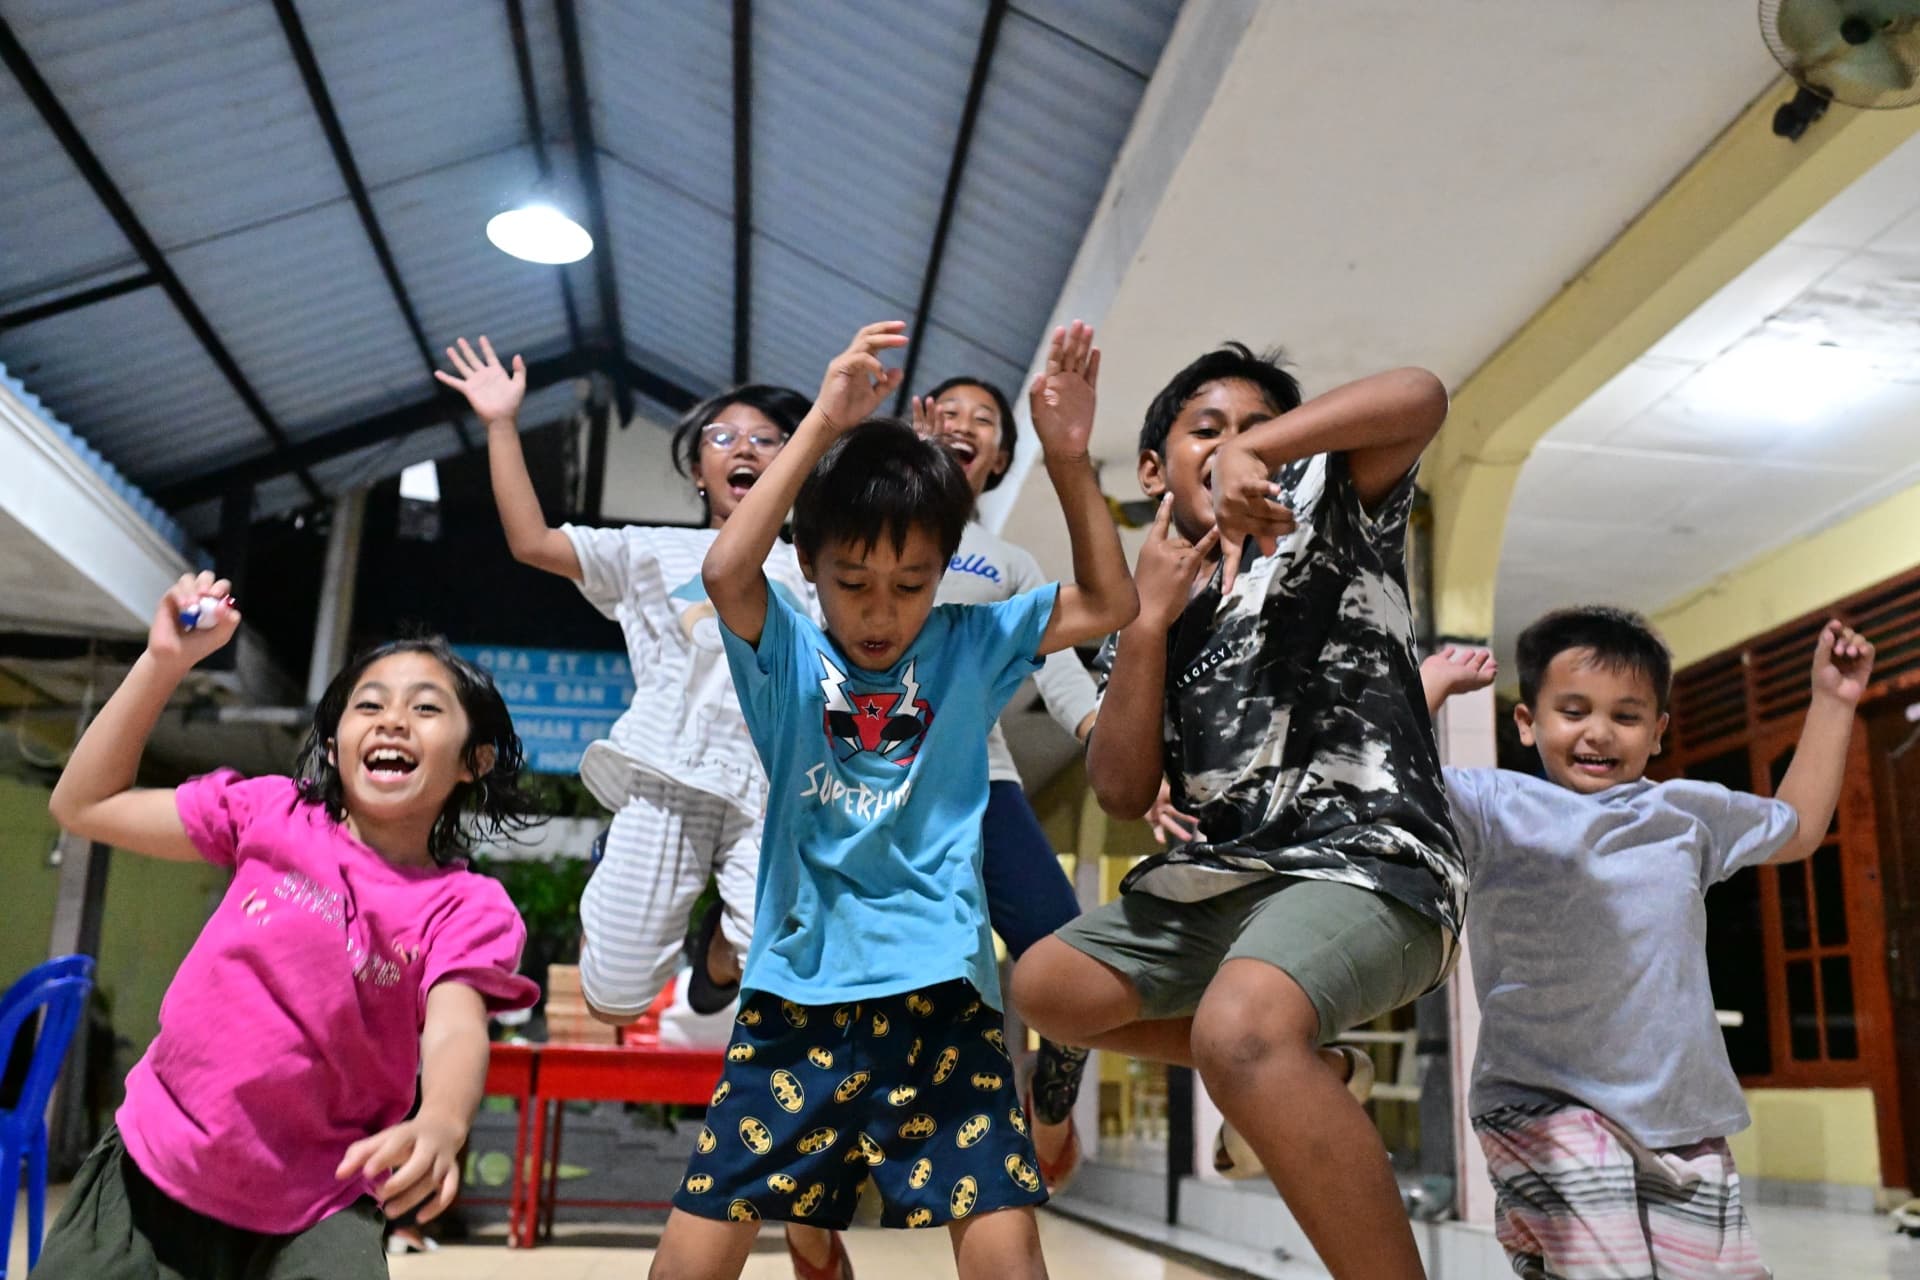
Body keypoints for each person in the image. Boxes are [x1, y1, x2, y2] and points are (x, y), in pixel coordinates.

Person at [647, 321, 1135, 1280]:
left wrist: (1071, 460)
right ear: (809, 565)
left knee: (1006, 1254)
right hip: (794, 1003)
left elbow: (1110, 603)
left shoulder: (969, 643)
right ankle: (816, 1243)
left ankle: (819, 1241)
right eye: (853, 582)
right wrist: (825, 421)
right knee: (690, 1261)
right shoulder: (786, 649)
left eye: (911, 584)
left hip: (941, 997)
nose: (880, 611)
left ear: (944, 570)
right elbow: (726, 570)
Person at [1011, 343, 1460, 1280]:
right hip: (1220, 884)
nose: (1232, 445)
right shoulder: (1147, 611)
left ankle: (1270, 1056)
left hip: (1366, 859)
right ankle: (1310, 1067)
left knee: (1239, 1032)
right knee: (1047, 986)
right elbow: (1121, 791)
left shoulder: (1335, 509)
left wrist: (1265, 452)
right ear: (1153, 471)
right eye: (1206, 431)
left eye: (1258, 429)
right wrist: (1145, 624)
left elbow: (1419, 394)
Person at [36, 572, 540, 1278]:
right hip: (153, 1164)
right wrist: (162, 663)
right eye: (369, 704)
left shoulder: (466, 906)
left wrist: (442, 1120)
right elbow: (83, 805)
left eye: (426, 708)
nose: (393, 720)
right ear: (333, 746)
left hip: (319, 1204)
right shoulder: (271, 813)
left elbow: (456, 1027)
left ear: (473, 762)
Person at [1422, 609, 1875, 1280]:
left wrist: (1833, 701)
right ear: (1527, 722)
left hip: (1680, 1117)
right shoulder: (1493, 805)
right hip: (1543, 1102)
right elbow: (1385, 788)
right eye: (1573, 711)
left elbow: (1800, 827)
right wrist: (1426, 688)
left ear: (1659, 731)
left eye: (1626, 716)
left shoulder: (1687, 814)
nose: (1599, 732)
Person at [436, 338, 812, 1024]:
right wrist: (501, 425)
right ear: (698, 470)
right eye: (724, 437)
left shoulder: (819, 570)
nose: (745, 448)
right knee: (613, 998)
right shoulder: (649, 548)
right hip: (669, 771)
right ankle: (628, 870)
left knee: (786, 971)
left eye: (768, 439)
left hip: (774, 785)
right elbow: (531, 541)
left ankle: (721, 948)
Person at [906, 376, 1097, 1188]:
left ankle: (1050, 1104)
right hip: (872, 793)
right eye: (947, 413)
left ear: (999, 457)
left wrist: (1103, 737)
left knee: (1075, 965)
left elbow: (1059, 667)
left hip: (983, 784)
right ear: (917, 428)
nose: (963, 425)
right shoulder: (868, 528)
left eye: (982, 420)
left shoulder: (1010, 563)